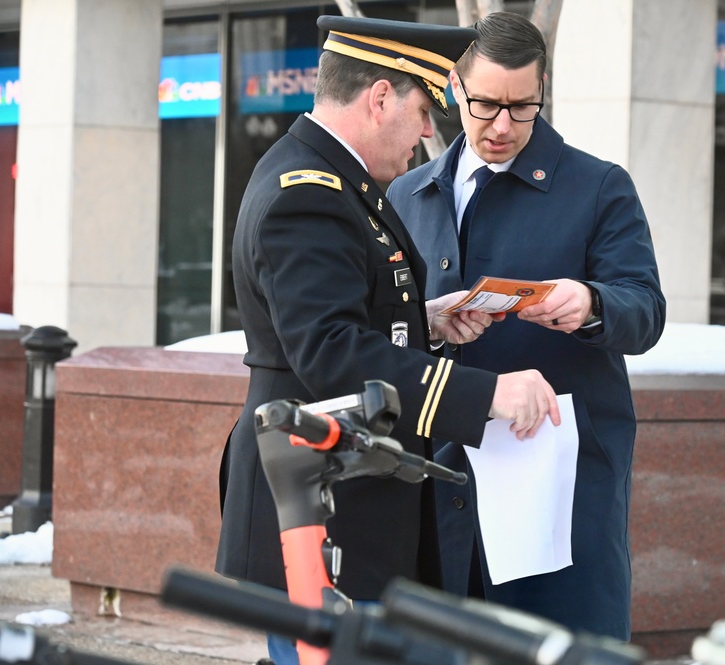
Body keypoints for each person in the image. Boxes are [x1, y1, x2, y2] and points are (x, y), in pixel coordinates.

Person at [214, 15, 560, 665]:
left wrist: (422, 320)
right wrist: (485, 394)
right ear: (379, 98)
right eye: (424, 108)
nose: (430, 131)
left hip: (350, 516)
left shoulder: (327, 179)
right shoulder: (308, 194)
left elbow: (327, 324)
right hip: (326, 522)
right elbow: (330, 353)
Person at [387, 11, 667, 641]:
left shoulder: (598, 188)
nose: (503, 126)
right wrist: (430, 325)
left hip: (559, 493)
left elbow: (645, 311)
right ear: (454, 88)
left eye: (523, 107)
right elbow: (386, 327)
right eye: (486, 105)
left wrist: (593, 303)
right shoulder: (407, 194)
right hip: (438, 480)